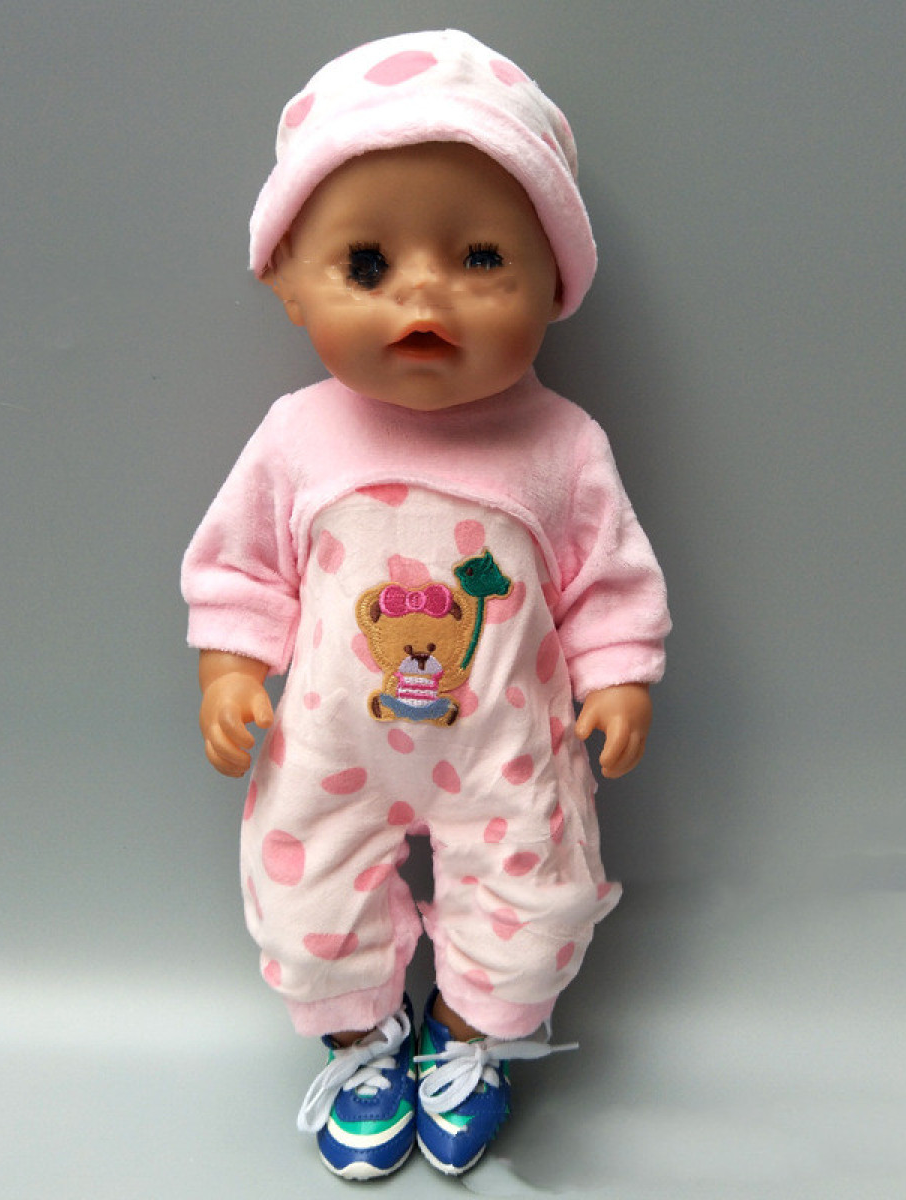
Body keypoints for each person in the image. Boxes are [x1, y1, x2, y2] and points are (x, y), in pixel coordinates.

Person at [181, 29, 669, 1181]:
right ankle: (361, 1041)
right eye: (366, 265)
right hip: (330, 748)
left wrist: (620, 676)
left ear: (556, 283)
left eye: (481, 257)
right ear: (286, 280)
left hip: (507, 748)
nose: (423, 294)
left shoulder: (560, 445)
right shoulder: (299, 437)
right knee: (304, 899)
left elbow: (607, 576)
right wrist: (230, 669)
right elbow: (240, 566)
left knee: (536, 901)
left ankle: (466, 1037)